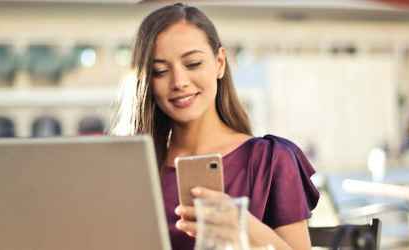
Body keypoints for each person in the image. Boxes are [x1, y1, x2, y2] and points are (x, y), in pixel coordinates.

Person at [112, 3, 319, 250]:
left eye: (193, 64)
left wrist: (242, 226)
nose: (179, 82)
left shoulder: (271, 159)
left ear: (219, 62)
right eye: (160, 71)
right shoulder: (134, 170)